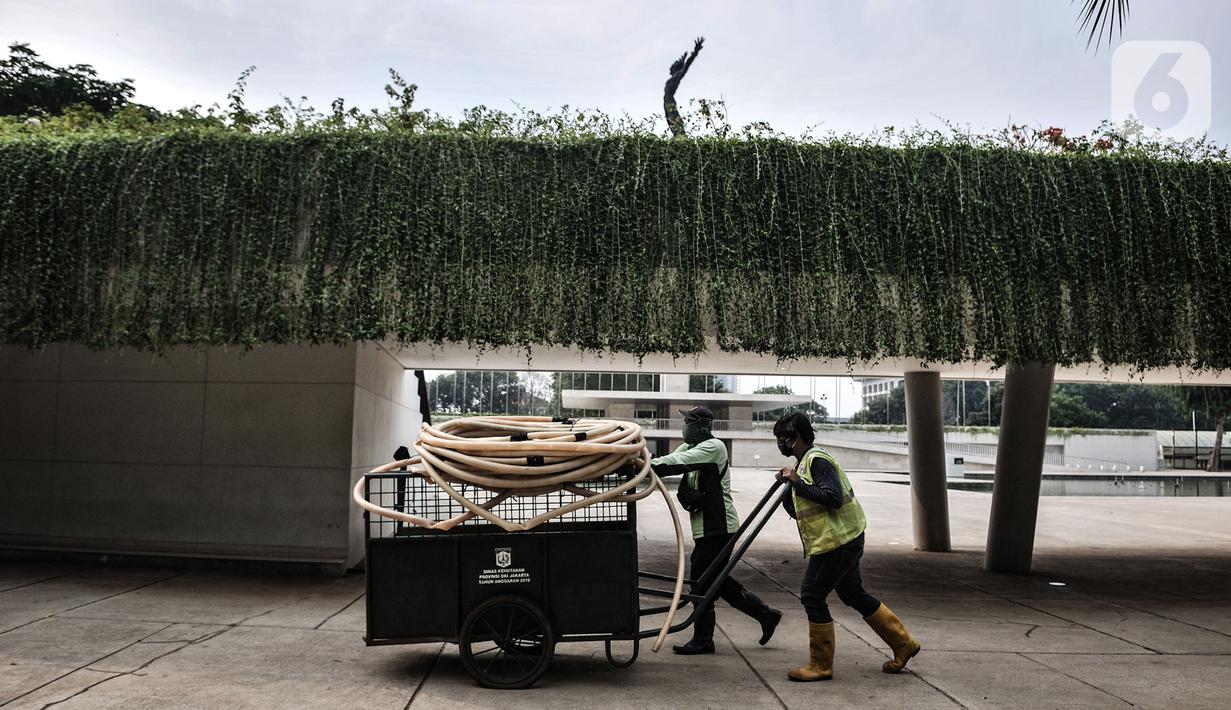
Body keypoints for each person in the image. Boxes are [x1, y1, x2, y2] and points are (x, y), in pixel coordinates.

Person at [773, 411, 920, 681]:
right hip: (840, 540)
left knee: (812, 594)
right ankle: (903, 643)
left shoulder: (816, 461)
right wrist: (790, 491)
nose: (780, 443)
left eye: (783, 437)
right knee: (852, 593)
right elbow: (805, 509)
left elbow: (833, 498)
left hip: (839, 542)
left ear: (795, 438)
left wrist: (798, 483)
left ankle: (821, 665)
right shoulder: (805, 463)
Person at [649, 405, 782, 655]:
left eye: (688, 421)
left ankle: (703, 639)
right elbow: (668, 462)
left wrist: (644, 463)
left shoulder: (714, 447)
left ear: (702, 426)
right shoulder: (690, 446)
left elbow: (678, 463)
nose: (684, 426)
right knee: (717, 581)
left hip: (719, 527)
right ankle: (766, 615)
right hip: (706, 528)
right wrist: (643, 463)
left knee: (702, 581)